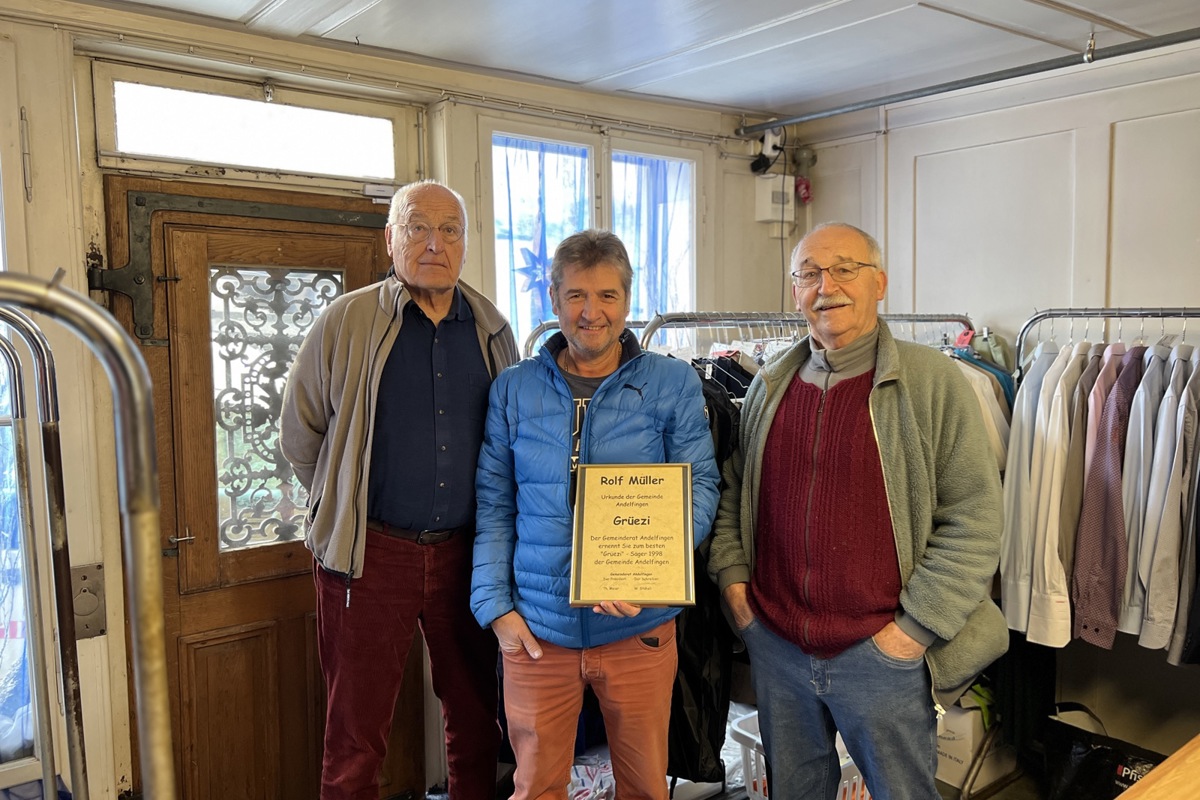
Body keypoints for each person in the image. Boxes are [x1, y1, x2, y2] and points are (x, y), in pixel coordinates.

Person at [707, 222, 1008, 800]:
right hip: (778, 645)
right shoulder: (769, 386)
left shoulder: (934, 383)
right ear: (795, 291)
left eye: (845, 269)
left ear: (880, 283)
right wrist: (736, 589)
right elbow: (734, 496)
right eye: (809, 274)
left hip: (882, 654)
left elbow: (974, 522)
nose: (827, 286)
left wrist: (911, 633)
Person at [280, 179, 518, 800]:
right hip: (369, 555)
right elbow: (300, 434)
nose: (433, 243)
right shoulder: (346, 321)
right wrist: (344, 504)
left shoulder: (492, 329)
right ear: (390, 238)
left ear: (466, 244)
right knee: (356, 732)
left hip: (468, 556)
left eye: (449, 230)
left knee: (475, 717)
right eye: (416, 227)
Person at [471, 229, 721, 800]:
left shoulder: (672, 382)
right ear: (554, 300)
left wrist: (656, 569)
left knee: (644, 788)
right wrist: (496, 609)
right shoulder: (512, 390)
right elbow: (494, 503)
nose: (592, 313)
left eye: (607, 296)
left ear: (627, 302)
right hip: (537, 632)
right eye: (577, 296)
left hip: (639, 628)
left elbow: (701, 484)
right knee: (534, 789)